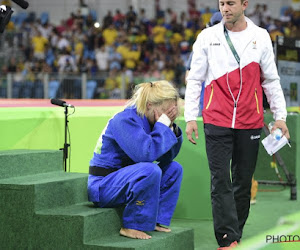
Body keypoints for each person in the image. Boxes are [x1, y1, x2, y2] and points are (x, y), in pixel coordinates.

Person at [184, 0, 290, 249]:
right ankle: (226, 240)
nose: (225, 8)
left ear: (244, 4)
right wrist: (190, 117)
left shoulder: (260, 36)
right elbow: (195, 78)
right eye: (221, 3)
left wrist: (280, 116)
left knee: (243, 183)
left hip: (250, 120)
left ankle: (234, 236)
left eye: (230, 3)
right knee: (220, 180)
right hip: (216, 119)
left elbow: (271, 81)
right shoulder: (206, 36)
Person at [88, 80, 183, 240]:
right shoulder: (124, 119)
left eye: (171, 114)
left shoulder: (152, 120)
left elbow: (167, 157)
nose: (167, 117)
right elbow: (144, 155)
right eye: (165, 113)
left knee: (174, 168)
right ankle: (132, 225)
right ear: (149, 105)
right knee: (150, 169)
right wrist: (162, 126)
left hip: (126, 181)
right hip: (104, 186)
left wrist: (170, 128)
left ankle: (156, 220)